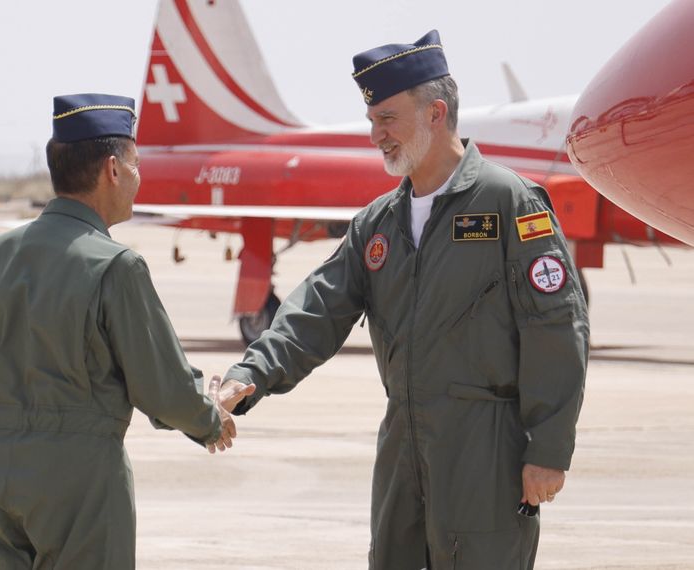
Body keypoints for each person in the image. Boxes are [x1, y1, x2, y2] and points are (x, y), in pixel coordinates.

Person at [219, 31, 589, 569]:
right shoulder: (378, 222)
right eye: (372, 122)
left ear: (436, 113)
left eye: (387, 119)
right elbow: (316, 310)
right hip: (402, 447)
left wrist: (549, 450)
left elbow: (556, 327)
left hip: (483, 450)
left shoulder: (510, 202)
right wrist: (249, 374)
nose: (376, 136)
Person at [0, 93, 254, 569]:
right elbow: (160, 385)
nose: (139, 178)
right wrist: (209, 417)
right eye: (136, 163)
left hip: (2, 484)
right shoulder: (116, 266)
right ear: (112, 169)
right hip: (81, 486)